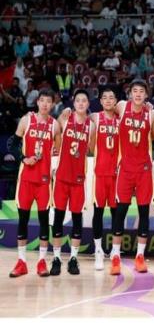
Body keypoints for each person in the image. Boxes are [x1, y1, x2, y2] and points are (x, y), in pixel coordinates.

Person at [110, 79, 154, 275]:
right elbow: (106, 109)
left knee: (143, 212)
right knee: (120, 211)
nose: (138, 94)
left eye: (141, 91)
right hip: (125, 168)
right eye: (135, 91)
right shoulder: (122, 106)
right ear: (130, 93)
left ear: (146, 95)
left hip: (144, 169)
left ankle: (140, 256)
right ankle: (115, 256)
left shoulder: (152, 114)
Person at [9, 90, 61, 278]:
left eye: (49, 101)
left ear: (52, 104)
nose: (45, 104)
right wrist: (24, 158)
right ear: (37, 102)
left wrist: (53, 167)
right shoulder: (26, 120)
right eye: (42, 101)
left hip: (44, 181)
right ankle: (21, 262)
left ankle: (41, 261)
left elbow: (58, 151)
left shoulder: (55, 126)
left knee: (43, 221)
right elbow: (12, 145)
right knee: (23, 220)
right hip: (26, 179)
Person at [51, 89, 95, 275]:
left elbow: (92, 149)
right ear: (74, 103)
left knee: (77, 218)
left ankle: (73, 259)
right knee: (58, 218)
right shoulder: (64, 119)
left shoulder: (91, 126)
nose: (81, 103)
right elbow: (53, 135)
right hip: (62, 178)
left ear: (88, 104)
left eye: (84, 100)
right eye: (78, 100)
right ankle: (56, 258)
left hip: (78, 180)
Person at [90, 87, 119, 270]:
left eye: (111, 97)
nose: (108, 100)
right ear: (100, 101)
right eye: (105, 98)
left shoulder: (122, 120)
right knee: (98, 212)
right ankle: (98, 250)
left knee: (116, 213)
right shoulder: (95, 118)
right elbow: (90, 145)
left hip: (117, 174)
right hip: (100, 173)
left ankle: (115, 251)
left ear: (115, 101)